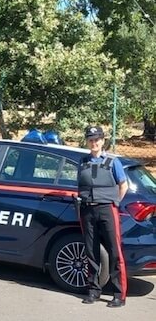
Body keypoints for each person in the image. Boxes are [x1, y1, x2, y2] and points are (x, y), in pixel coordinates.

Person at [77, 125, 128, 308]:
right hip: (87, 210)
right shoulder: (82, 162)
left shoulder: (113, 163)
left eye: (97, 139)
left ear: (103, 141)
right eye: (90, 139)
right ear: (87, 141)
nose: (94, 142)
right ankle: (93, 290)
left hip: (107, 209)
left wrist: (114, 202)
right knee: (91, 251)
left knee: (114, 252)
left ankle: (118, 294)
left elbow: (124, 186)